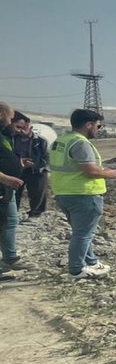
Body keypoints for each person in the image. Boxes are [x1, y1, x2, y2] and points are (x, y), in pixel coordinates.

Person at [48, 108, 116, 280]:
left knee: (81, 232)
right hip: (83, 194)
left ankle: (92, 262)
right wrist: (108, 173)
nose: (98, 129)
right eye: (98, 126)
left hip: (64, 193)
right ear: (88, 125)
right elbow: (90, 170)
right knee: (83, 234)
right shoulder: (80, 143)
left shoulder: (62, 140)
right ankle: (77, 269)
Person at [0, 102, 25, 275]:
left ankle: (9, 259)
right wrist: (5, 178)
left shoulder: (3, 136)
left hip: (5, 190)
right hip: (4, 185)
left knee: (9, 222)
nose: (11, 122)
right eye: (10, 118)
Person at [12, 112, 49, 218]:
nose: (22, 130)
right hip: (18, 168)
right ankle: (13, 213)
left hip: (36, 170)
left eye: (24, 128)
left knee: (37, 192)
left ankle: (35, 213)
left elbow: (46, 157)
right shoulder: (13, 139)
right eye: (20, 128)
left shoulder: (40, 141)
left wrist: (36, 165)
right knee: (15, 192)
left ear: (30, 127)